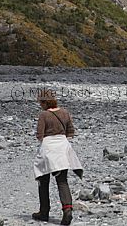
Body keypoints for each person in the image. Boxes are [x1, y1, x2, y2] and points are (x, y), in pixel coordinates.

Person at [33, 90, 83, 224]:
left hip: (48, 149)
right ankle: (67, 210)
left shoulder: (44, 115)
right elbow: (71, 131)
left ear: (45, 102)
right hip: (63, 148)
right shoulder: (65, 112)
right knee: (62, 181)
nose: (40, 105)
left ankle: (44, 212)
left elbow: (39, 134)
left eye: (40, 102)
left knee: (43, 180)